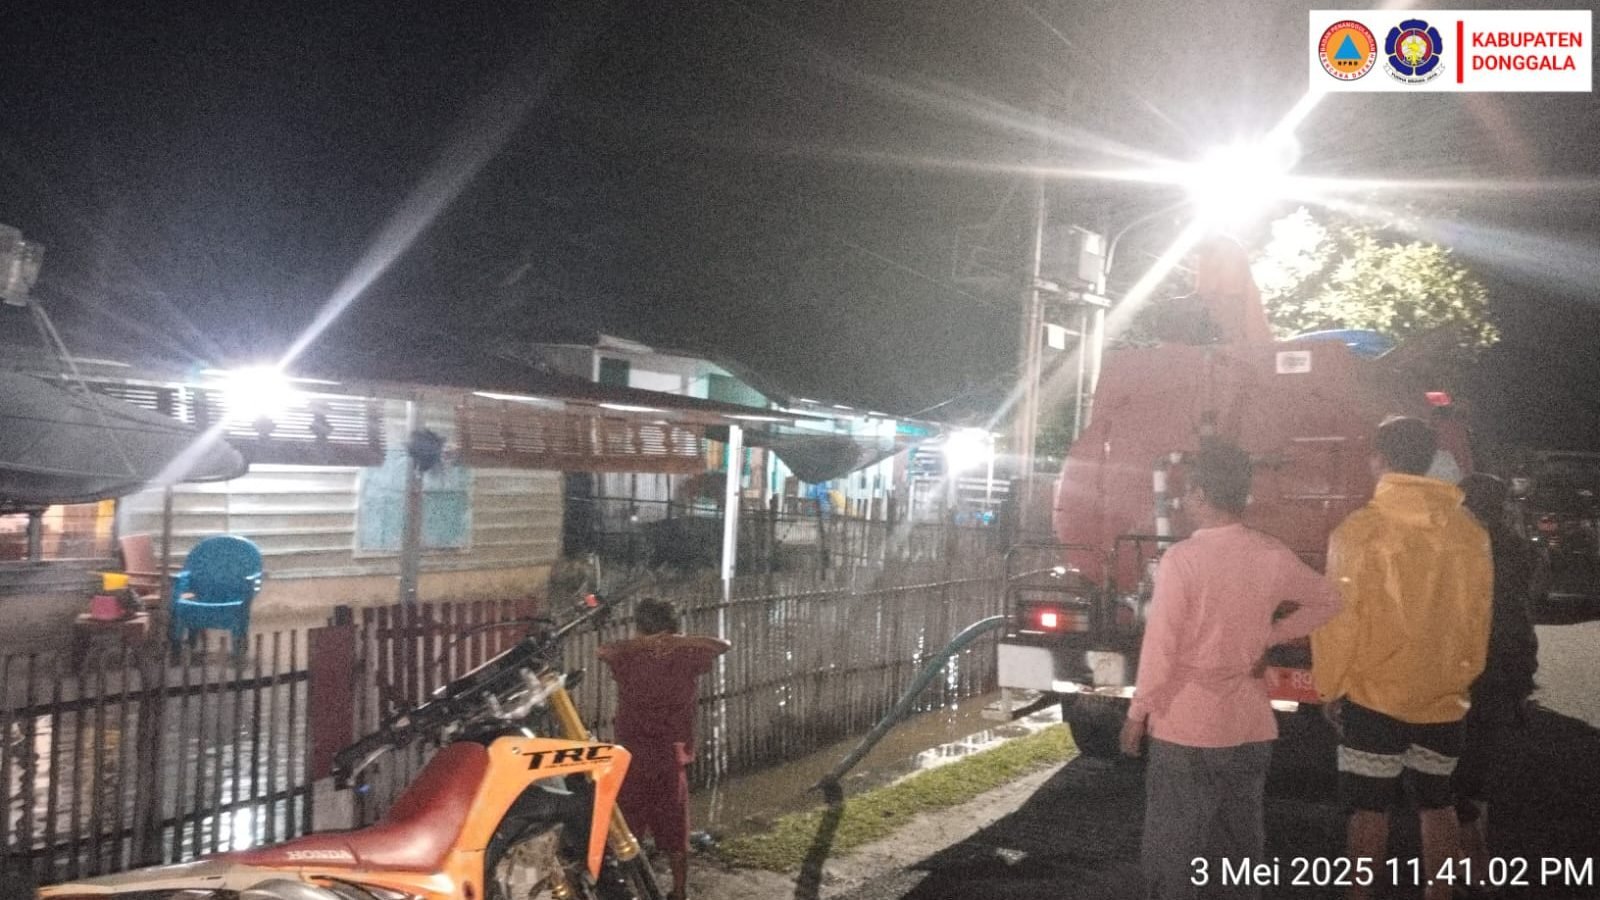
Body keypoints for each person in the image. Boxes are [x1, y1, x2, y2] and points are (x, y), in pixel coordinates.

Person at [1120, 441, 1343, 900]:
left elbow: (1160, 649)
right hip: (1249, 725)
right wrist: (1270, 635)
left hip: (1186, 727)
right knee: (1238, 851)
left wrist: (1137, 714)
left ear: (1201, 494)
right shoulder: (1271, 552)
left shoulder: (1183, 560)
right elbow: (1331, 599)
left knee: (1173, 851)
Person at [1312, 417, 1492, 900]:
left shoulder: (1360, 530)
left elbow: (1340, 619)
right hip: (1443, 698)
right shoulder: (1469, 532)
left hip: (1375, 695)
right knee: (1437, 803)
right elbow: (1479, 618)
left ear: (1380, 459)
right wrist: (1463, 676)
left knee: (1370, 810)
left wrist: (1330, 686)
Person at [598, 598, 730, 900]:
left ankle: (627, 890)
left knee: (625, 828)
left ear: (640, 626)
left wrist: (647, 643)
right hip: (668, 757)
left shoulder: (630, 656)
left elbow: (603, 651)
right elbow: (723, 644)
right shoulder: (685, 655)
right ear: (674, 626)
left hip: (633, 754)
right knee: (675, 831)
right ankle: (679, 892)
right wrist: (675, 641)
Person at [1454, 473, 1539, 877]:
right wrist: (1523, 679)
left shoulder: (1459, 549)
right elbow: (1519, 620)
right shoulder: (1517, 550)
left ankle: (1468, 868)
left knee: (1452, 775)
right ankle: (1474, 864)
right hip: (1500, 672)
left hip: (1461, 674)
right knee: (1477, 773)